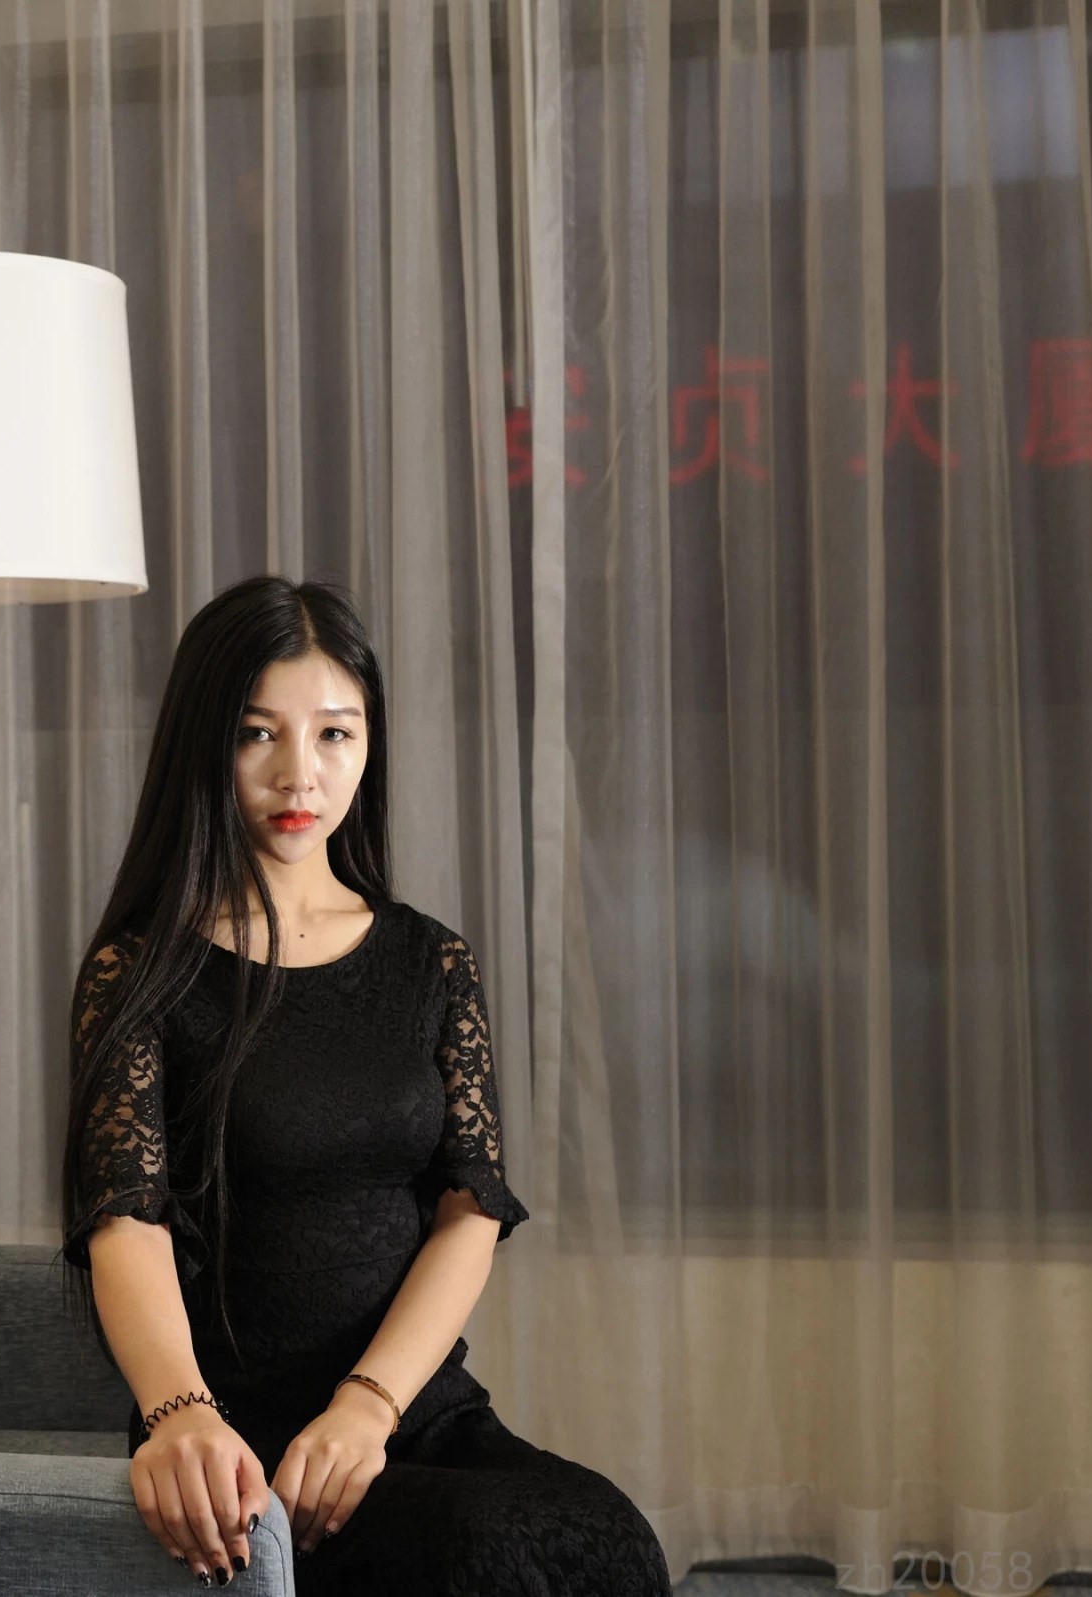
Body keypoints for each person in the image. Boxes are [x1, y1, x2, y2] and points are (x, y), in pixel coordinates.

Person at [60, 575, 672, 1594]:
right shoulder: (142, 971)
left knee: (613, 1541)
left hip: (407, 1413)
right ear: (204, 745)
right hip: (242, 1436)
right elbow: (125, 1220)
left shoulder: (432, 961)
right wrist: (178, 1411)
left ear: (369, 744)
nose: (299, 771)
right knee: (486, 1555)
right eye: (258, 733)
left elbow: (471, 1208)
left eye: (335, 733)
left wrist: (368, 1407)